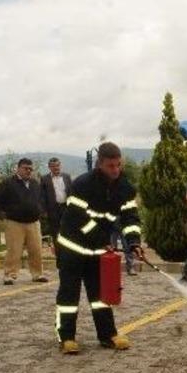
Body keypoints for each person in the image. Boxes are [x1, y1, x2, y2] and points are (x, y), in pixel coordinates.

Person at [54, 142, 144, 354]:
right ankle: (66, 337)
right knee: (69, 294)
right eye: (110, 166)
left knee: (101, 295)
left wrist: (134, 242)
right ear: (99, 164)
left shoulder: (125, 188)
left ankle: (107, 335)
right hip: (72, 246)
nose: (115, 170)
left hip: (97, 250)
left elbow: (130, 218)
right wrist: (102, 238)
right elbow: (78, 218)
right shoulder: (82, 184)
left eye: (118, 165)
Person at [0, 158, 48, 285]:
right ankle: (10, 275)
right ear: (18, 168)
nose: (28, 171)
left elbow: (41, 199)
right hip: (15, 222)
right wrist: (9, 212)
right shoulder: (8, 183)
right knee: (14, 250)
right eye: (25, 168)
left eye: (30, 169)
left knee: (36, 250)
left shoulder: (35, 183)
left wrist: (40, 210)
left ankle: (37, 274)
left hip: (34, 222)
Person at [41, 157, 72, 267]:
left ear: (60, 165)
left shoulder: (67, 177)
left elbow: (71, 192)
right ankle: (60, 261)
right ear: (49, 167)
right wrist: (44, 210)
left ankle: (68, 258)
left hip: (66, 208)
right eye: (53, 166)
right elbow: (43, 196)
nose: (56, 168)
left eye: (57, 165)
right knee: (56, 235)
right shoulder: (44, 179)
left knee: (68, 234)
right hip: (53, 210)